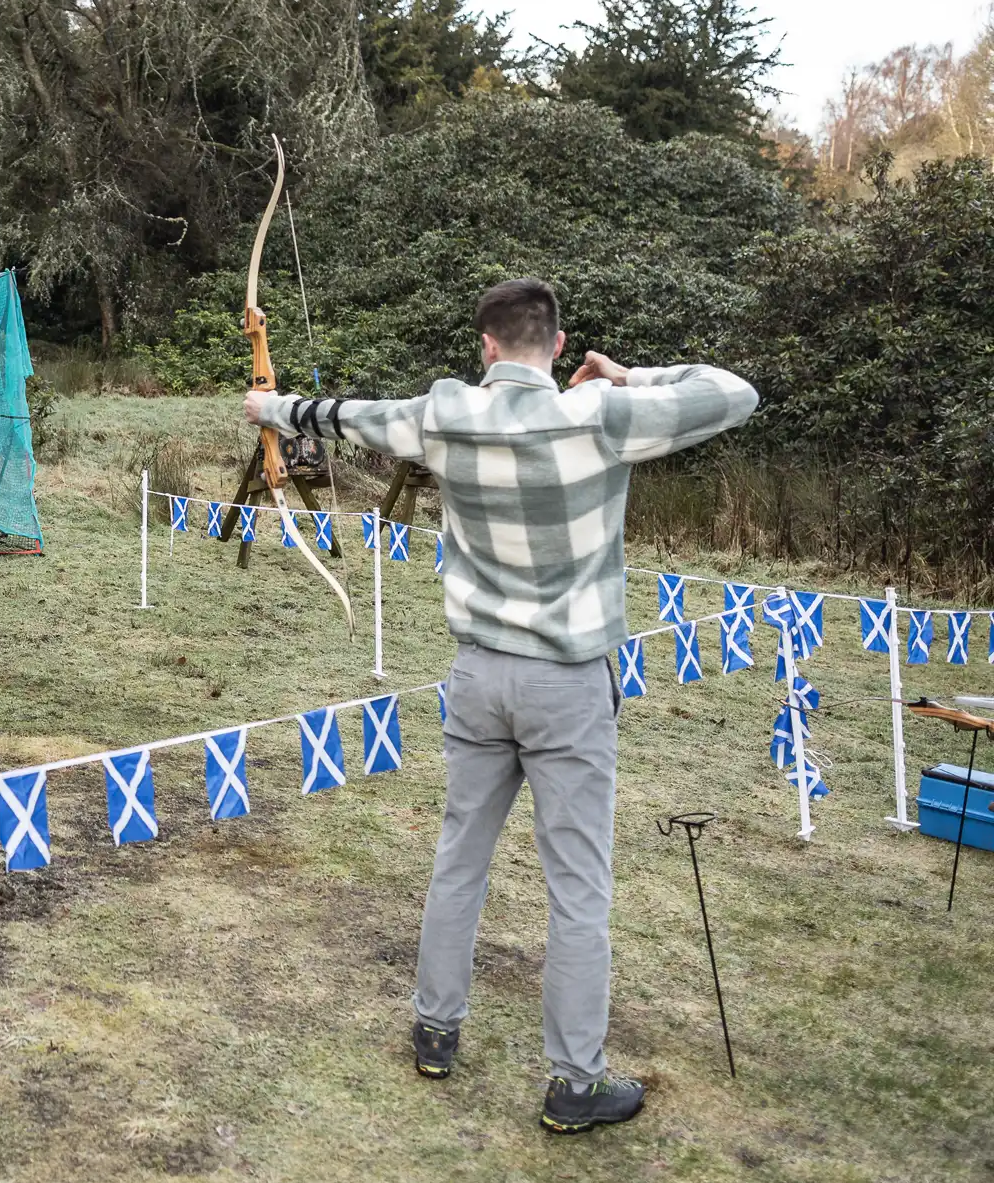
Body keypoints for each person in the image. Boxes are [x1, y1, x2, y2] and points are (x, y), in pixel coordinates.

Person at [245, 278, 758, 1133]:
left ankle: (436, 1030)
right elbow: (733, 393)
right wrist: (628, 375)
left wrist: (272, 403)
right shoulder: (599, 414)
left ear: (485, 346)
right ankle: (575, 1083)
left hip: (479, 678)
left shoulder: (448, 412)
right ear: (556, 347)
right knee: (578, 888)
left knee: (460, 858)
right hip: (567, 684)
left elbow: (347, 415)